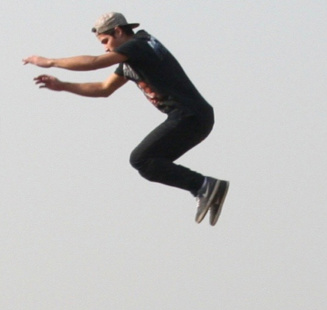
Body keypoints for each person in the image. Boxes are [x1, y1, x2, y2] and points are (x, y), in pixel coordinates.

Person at [25, 12, 230, 225]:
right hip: (195, 117)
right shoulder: (132, 59)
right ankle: (204, 187)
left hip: (190, 116)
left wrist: (49, 62)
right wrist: (63, 85)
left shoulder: (140, 44)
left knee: (142, 159)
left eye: (106, 41)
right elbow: (103, 88)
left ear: (119, 31)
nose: (106, 48)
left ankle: (204, 185)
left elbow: (95, 62)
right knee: (149, 163)